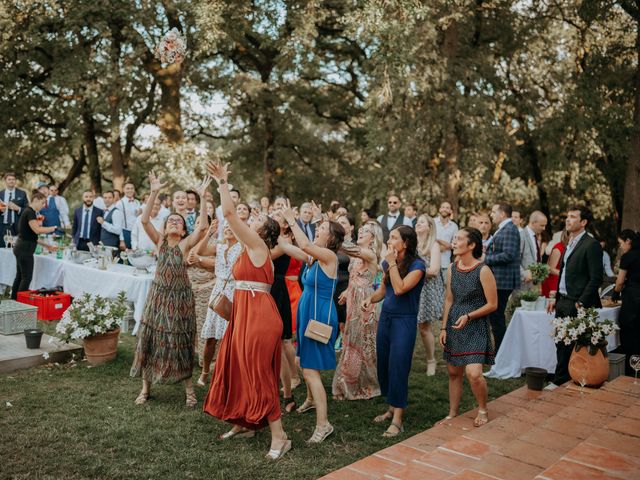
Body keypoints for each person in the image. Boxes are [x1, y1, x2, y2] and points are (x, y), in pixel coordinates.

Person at [203, 160, 290, 460]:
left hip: (258, 317)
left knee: (259, 375)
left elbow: (228, 213)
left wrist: (223, 182)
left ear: (265, 231)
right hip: (244, 313)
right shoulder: (248, 244)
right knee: (238, 369)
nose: (251, 219)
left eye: (257, 218)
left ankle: (280, 437)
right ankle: (246, 421)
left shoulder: (256, 244)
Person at [130, 171, 210, 408]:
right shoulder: (160, 242)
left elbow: (203, 225)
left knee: (180, 342)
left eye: (179, 222)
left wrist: (203, 198)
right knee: (151, 339)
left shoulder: (185, 244)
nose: (175, 222)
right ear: (164, 228)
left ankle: (189, 391)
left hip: (181, 299)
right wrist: (154, 191)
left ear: (184, 230)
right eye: (171, 221)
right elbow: (144, 221)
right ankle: (145, 389)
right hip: (158, 297)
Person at [278, 200, 344, 444]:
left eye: (322, 228)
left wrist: (292, 219)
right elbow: (298, 247)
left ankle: (324, 424)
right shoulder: (315, 256)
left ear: (331, 237)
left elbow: (303, 243)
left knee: (310, 369)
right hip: (308, 312)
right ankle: (309, 400)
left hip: (319, 316)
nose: (317, 229)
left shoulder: (328, 256)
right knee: (303, 360)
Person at [364, 226, 425, 437]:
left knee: (399, 366)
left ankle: (398, 419)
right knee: (385, 365)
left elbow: (399, 289)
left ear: (406, 243)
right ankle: (391, 407)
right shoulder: (388, 263)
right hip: (386, 319)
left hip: (404, 321)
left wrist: (391, 263)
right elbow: (385, 289)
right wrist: (369, 299)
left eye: (393, 238)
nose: (389, 240)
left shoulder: (418, 266)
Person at [440, 227, 497, 428]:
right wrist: (444, 327)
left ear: (471, 245)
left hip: (476, 326)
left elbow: (492, 304)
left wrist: (469, 315)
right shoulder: (452, 269)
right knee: (454, 372)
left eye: (458, 239)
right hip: (455, 323)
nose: (453, 242)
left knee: (473, 373)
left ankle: (482, 409)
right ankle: (452, 413)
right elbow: (449, 299)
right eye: (453, 239)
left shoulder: (483, 270)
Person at [546, 206, 603, 387]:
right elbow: (563, 273)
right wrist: (555, 297)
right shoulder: (569, 242)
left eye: (573, 217)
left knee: (574, 345)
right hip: (562, 300)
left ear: (583, 222)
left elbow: (596, 278)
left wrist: (581, 301)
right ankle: (561, 379)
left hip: (577, 303)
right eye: (567, 216)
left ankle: (566, 379)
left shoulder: (590, 244)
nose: (568, 220)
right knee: (560, 342)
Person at [332, 220, 383, 400]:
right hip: (353, 301)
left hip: (365, 303)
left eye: (366, 231)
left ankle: (369, 384)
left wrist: (328, 224)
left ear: (373, 238)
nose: (361, 232)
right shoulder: (355, 257)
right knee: (351, 340)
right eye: (361, 229)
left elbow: (348, 248)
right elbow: (355, 277)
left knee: (365, 344)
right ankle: (349, 381)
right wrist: (347, 291)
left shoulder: (369, 254)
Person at [270, 208, 308, 413]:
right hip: (265, 290)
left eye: (278, 216)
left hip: (278, 292)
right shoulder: (266, 239)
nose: (273, 217)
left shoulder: (282, 243)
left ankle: (287, 392)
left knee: (282, 341)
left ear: (285, 224)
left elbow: (304, 254)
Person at [196, 223, 242, 386]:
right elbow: (200, 252)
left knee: (230, 338)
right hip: (218, 290)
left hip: (235, 291)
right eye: (227, 226)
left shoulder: (242, 247)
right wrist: (208, 233)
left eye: (232, 226)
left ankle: (227, 373)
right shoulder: (219, 247)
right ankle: (205, 371)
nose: (229, 228)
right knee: (211, 337)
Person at [484, 203, 521, 353]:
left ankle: (501, 355)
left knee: (497, 318)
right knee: (495, 318)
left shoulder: (510, 230)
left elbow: (508, 255)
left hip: (502, 281)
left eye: (493, 212)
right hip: (497, 279)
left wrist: (485, 259)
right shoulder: (503, 229)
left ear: (503, 214)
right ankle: (499, 353)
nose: (491, 215)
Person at [11, 192, 57, 299]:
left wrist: (47, 246)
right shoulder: (30, 212)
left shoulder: (29, 212)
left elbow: (31, 235)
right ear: (35, 200)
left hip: (21, 247)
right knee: (26, 277)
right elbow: (37, 230)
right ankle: (20, 303)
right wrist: (53, 228)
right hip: (24, 249)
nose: (43, 206)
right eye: (42, 203)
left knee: (20, 276)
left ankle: (14, 300)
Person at [186, 216, 216, 368]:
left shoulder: (215, 243)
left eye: (203, 223)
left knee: (205, 324)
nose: (200, 225)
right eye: (198, 222)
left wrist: (200, 260)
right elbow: (187, 260)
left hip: (208, 288)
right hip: (190, 289)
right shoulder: (189, 242)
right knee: (190, 324)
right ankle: (192, 354)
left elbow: (218, 264)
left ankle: (206, 360)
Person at [416, 214, 444, 376]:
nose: (418, 224)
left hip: (427, 289)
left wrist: (413, 272)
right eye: (417, 222)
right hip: (410, 287)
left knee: (424, 328)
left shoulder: (433, 245)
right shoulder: (410, 244)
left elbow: (434, 270)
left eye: (422, 222)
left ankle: (431, 360)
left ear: (430, 227)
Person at [613, 230, 640, 376]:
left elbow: (619, 281)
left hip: (632, 299)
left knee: (629, 334)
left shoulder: (628, 257)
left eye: (621, 243)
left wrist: (615, 294)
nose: (621, 247)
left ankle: (630, 371)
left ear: (628, 241)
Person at [520, 211, 548, 286]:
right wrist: (524, 274)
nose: (544, 228)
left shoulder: (536, 236)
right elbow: (515, 260)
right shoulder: (521, 236)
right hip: (523, 284)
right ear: (533, 222)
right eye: (542, 225)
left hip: (535, 284)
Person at [1, 172, 28, 248]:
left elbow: (27, 210)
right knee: (2, 249)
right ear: (5, 181)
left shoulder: (22, 194)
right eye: (9, 179)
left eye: (13, 179)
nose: (11, 181)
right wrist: (1, 211)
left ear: (15, 181)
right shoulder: (0, 194)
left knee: (17, 249)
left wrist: (18, 208)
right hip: (3, 227)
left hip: (17, 227)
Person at [541, 229, 569, 298]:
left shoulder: (572, 247)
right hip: (554, 282)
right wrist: (565, 274)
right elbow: (550, 268)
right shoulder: (558, 248)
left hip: (565, 281)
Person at [435, 201, 459, 277]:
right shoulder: (432, 222)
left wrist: (440, 241)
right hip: (432, 261)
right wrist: (438, 248)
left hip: (445, 262)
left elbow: (456, 244)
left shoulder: (454, 226)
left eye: (447, 208)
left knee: (446, 286)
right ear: (439, 209)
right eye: (443, 207)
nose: (445, 209)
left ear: (450, 211)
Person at [117, 182, 141, 249]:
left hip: (137, 232)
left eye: (132, 188)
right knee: (126, 255)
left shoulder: (137, 202)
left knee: (136, 254)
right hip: (126, 232)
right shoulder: (120, 203)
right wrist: (122, 240)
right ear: (123, 190)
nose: (130, 190)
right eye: (127, 188)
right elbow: (119, 223)